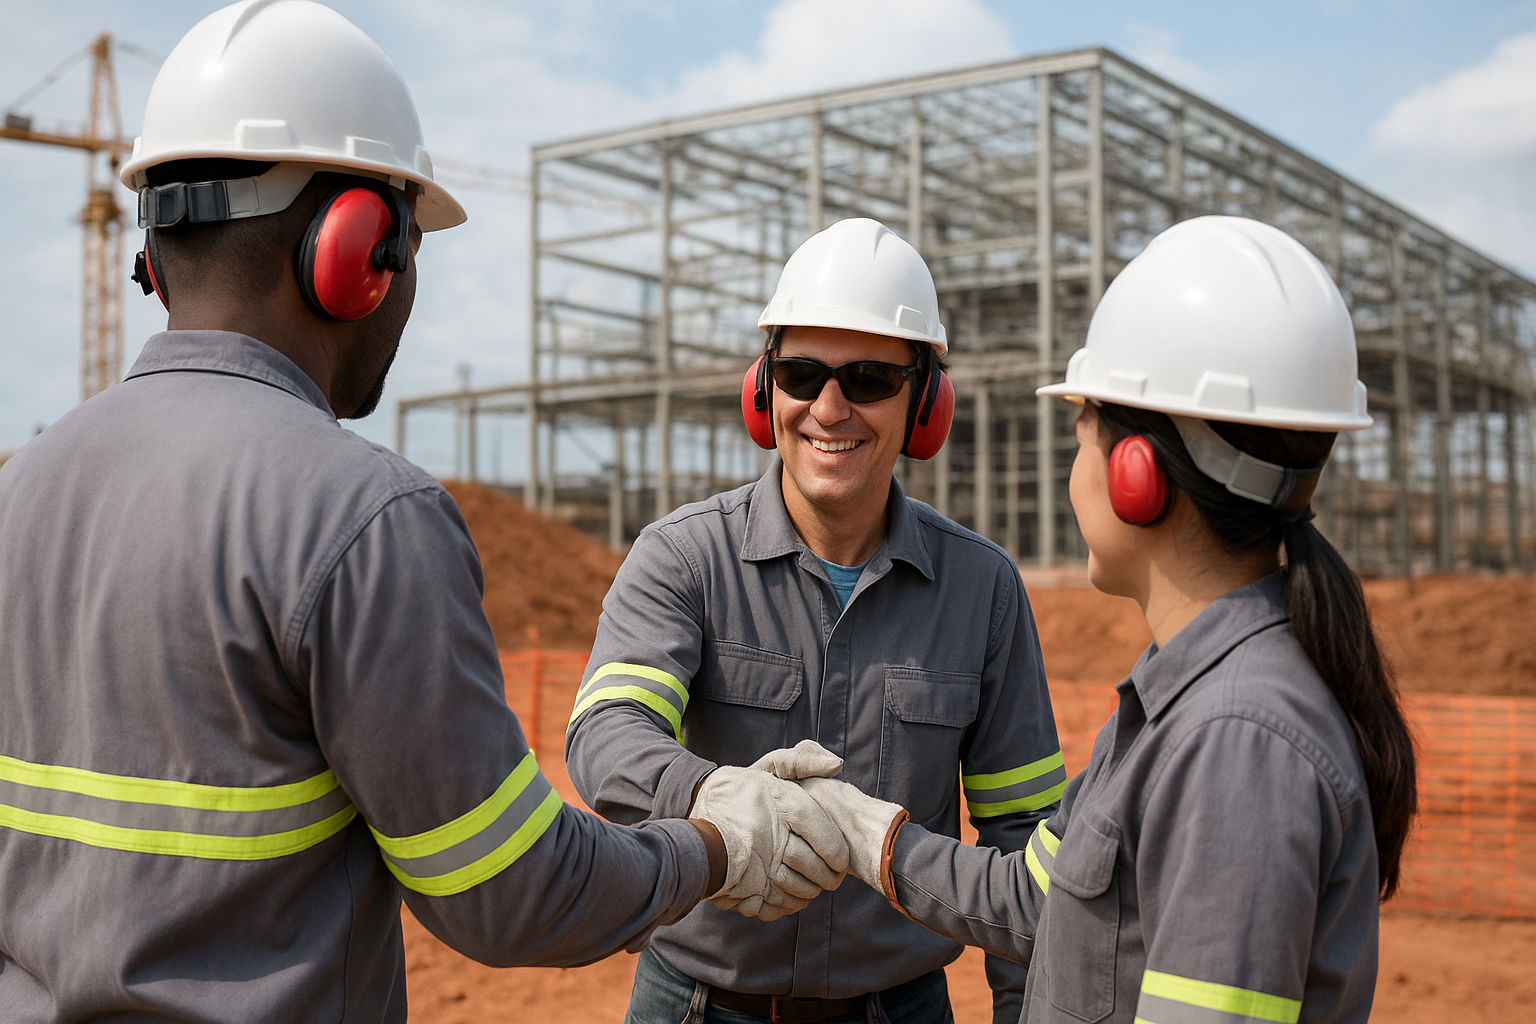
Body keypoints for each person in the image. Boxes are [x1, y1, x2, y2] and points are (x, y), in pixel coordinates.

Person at [0, 3, 834, 1020]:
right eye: (406, 246)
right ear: (356, 250)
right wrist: (717, 843)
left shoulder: (18, 487)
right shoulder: (362, 517)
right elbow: (510, 890)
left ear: (154, 255)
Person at [791, 216, 1419, 1024]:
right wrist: (859, 828)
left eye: (1081, 435)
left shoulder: (1238, 741)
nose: (1072, 471)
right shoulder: (1180, 702)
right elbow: (1033, 895)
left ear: (1136, 475)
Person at [564, 216, 1065, 1024]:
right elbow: (606, 732)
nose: (829, 408)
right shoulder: (683, 558)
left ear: (925, 403)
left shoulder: (984, 589)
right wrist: (714, 793)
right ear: (764, 392)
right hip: (695, 1003)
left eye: (868, 379)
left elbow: (1025, 834)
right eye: (801, 374)